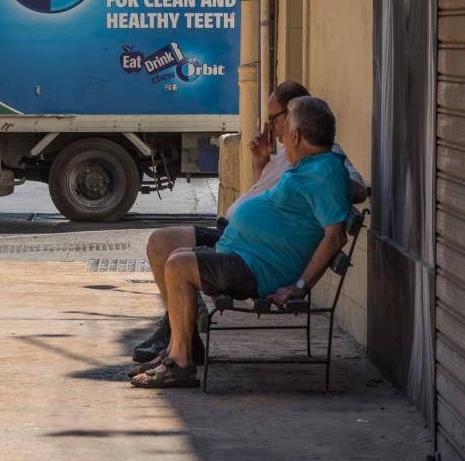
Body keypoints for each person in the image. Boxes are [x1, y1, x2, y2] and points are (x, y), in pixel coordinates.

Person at [131, 80, 368, 364]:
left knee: (178, 263)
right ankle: (179, 337)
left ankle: (179, 356)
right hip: (242, 241)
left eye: (275, 119)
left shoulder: (325, 164)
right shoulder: (294, 158)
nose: (270, 127)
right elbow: (272, 202)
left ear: (295, 129)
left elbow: (348, 202)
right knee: (163, 244)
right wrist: (262, 162)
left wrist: (301, 285)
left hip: (257, 260)